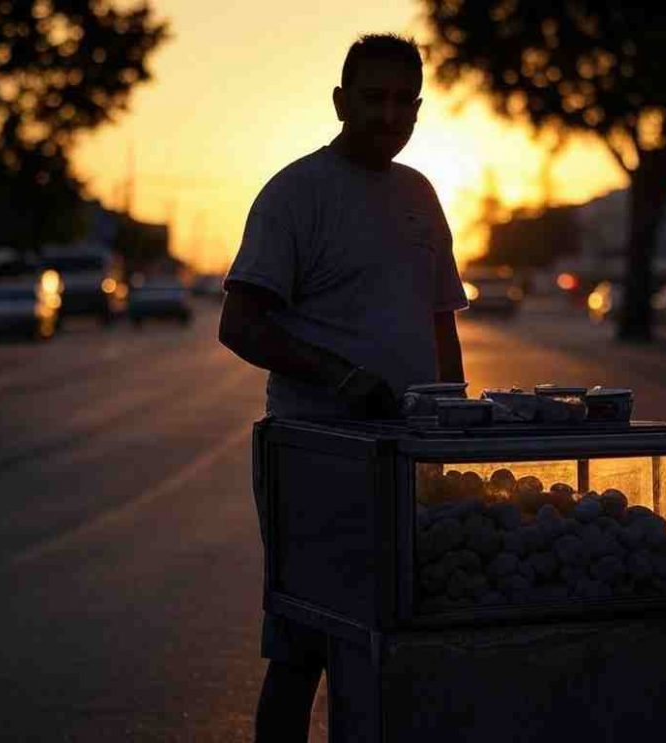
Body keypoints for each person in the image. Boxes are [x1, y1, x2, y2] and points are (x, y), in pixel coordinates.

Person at [217, 32, 469, 742]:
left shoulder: (420, 194)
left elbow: (440, 320)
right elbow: (239, 324)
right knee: (304, 648)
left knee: (399, 645)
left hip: (409, 463)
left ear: (418, 109)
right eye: (373, 98)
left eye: (403, 102)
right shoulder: (295, 194)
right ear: (339, 101)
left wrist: (455, 426)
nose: (389, 115)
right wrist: (340, 376)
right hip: (318, 460)